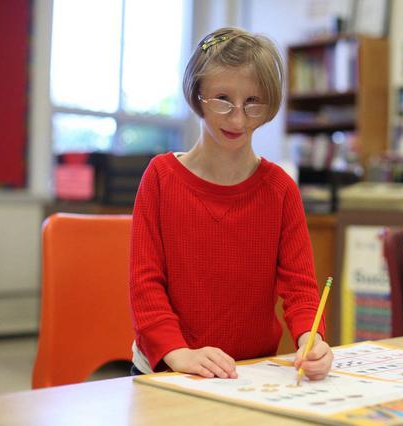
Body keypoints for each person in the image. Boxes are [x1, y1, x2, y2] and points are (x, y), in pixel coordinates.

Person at [129, 27, 333, 380]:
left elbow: (300, 288)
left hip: (248, 373)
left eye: (253, 102)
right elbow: (145, 285)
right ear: (197, 95)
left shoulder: (280, 189)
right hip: (167, 369)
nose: (238, 119)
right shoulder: (161, 177)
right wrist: (177, 353)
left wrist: (310, 339)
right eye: (222, 99)